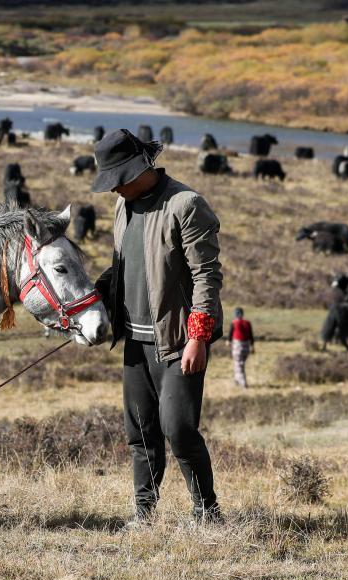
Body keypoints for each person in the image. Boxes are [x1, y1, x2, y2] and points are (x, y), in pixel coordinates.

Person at [92, 129, 224, 524]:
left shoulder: (186, 205)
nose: (114, 190)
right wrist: (89, 301)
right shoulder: (123, 207)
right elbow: (121, 269)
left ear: (140, 169)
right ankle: (143, 513)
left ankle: (207, 512)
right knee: (140, 433)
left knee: (179, 430)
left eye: (118, 180)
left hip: (178, 342)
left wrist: (198, 337)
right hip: (134, 341)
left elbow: (207, 276)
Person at [230, 307, 255, 388]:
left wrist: (228, 341)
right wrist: (252, 346)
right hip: (247, 346)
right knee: (240, 364)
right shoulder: (247, 323)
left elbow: (230, 334)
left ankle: (243, 383)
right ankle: (237, 380)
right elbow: (251, 335)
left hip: (238, 346)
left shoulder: (234, 322)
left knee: (239, 364)